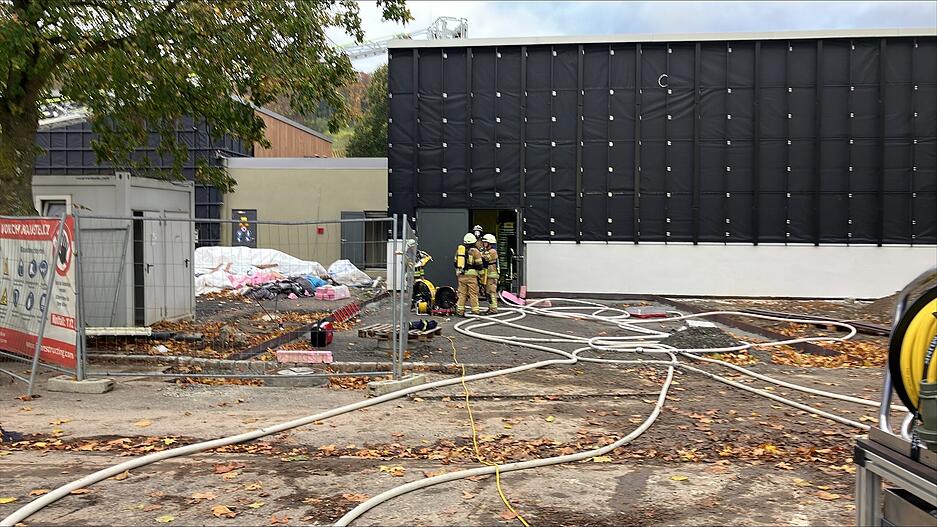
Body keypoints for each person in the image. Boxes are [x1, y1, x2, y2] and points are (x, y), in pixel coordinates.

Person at [454, 232, 483, 316]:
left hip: (461, 275)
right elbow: (479, 265)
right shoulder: (475, 251)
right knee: (473, 294)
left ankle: (460, 311)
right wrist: (480, 275)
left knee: (462, 294)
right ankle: (475, 311)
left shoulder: (459, 250)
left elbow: (455, 263)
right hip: (472, 276)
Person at [480, 233, 499, 314]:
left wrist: (478, 254)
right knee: (487, 292)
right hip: (488, 275)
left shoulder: (493, 251)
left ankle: (493, 309)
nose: (484, 244)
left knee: (491, 292)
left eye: (485, 242)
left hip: (492, 275)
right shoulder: (487, 251)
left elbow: (486, 258)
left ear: (490, 243)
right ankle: (491, 307)